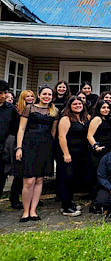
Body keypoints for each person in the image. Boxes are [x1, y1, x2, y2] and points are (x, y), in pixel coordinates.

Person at [15, 85, 59, 222]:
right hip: (29, 145)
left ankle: (33, 210)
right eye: (44, 94)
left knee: (39, 179)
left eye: (49, 95)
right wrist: (19, 147)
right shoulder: (30, 108)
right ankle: (25, 211)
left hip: (45, 146)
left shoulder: (55, 111)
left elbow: (53, 132)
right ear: (39, 95)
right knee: (28, 180)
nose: (47, 96)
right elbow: (21, 129)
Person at [57, 96, 89, 216]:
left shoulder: (82, 118)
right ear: (70, 106)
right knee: (66, 179)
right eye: (74, 104)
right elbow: (61, 137)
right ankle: (66, 206)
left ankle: (69, 202)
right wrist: (66, 153)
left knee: (73, 179)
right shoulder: (66, 118)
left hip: (79, 153)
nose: (77, 106)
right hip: (68, 153)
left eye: (79, 104)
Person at [86, 99, 111, 210]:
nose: (106, 110)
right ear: (98, 109)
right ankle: (95, 203)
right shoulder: (97, 119)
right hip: (98, 152)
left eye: (107, 107)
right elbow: (89, 135)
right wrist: (96, 146)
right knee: (97, 177)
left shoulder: (107, 119)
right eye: (103, 108)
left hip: (107, 151)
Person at [0, 80, 20, 211]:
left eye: (5, 93)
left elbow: (16, 128)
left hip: (3, 149)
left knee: (1, 176)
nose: (2, 96)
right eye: (0, 93)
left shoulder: (10, 109)